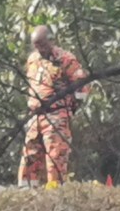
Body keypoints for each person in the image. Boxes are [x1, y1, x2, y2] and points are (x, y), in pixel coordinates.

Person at [17, 25, 90, 187]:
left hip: (56, 115)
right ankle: (26, 192)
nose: (40, 49)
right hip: (35, 116)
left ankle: (55, 193)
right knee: (30, 156)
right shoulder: (33, 59)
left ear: (51, 40)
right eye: (36, 45)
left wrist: (69, 108)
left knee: (55, 157)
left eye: (42, 44)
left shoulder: (66, 60)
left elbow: (82, 87)